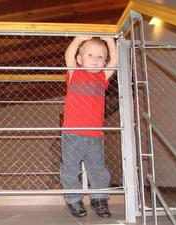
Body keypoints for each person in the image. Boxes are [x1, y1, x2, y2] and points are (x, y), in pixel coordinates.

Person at [60, 36, 117, 218]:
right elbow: (68, 54)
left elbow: (114, 62)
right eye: (91, 55)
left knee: (98, 169)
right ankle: (74, 199)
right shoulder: (74, 73)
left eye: (101, 57)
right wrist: (78, 39)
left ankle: (99, 199)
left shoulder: (102, 77)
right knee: (69, 168)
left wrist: (110, 42)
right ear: (80, 59)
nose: (96, 59)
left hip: (95, 135)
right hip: (72, 134)